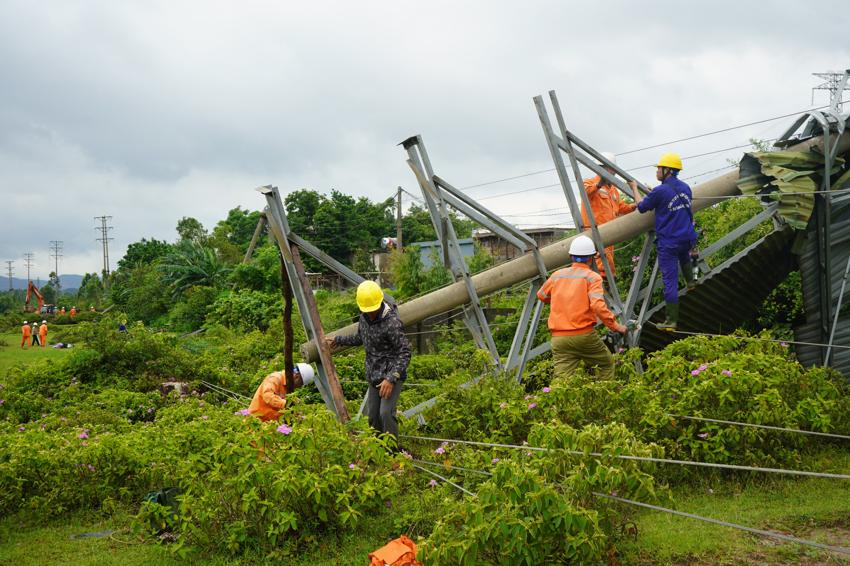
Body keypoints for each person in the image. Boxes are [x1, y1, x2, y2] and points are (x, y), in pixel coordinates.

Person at [328, 281, 411, 443]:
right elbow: (361, 337)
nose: (371, 314)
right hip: (374, 375)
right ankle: (379, 451)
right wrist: (339, 340)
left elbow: (405, 352)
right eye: (367, 311)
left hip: (391, 375)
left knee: (385, 413)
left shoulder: (392, 323)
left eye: (373, 310)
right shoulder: (364, 318)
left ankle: (393, 454)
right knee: (373, 417)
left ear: (380, 302)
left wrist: (391, 378)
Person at [536, 235, 627, 380]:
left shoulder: (557, 276)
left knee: (562, 381)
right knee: (606, 364)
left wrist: (561, 300)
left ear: (571, 256)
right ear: (591, 258)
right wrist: (616, 326)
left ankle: (559, 403)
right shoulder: (592, 277)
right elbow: (597, 305)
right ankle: (602, 401)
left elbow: (541, 295)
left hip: (559, 339)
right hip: (583, 335)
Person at [630, 152, 697, 331]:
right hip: (686, 237)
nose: (657, 171)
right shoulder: (686, 188)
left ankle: (671, 321)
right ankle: (691, 282)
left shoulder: (660, 191)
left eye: (659, 168)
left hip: (669, 242)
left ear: (668, 170)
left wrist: (634, 189)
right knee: (684, 254)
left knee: (670, 282)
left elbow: (642, 207)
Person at [581, 152, 637, 276]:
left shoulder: (613, 190)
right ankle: (603, 281)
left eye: (612, 170)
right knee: (601, 263)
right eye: (608, 169)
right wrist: (599, 184)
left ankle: (607, 281)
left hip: (609, 232)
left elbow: (622, 207)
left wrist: (636, 205)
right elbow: (585, 192)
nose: (612, 172)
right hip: (594, 231)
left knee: (608, 262)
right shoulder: (589, 182)